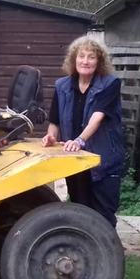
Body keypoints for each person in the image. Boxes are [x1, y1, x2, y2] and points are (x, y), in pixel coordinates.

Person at [41, 36, 123, 227]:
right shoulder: (62, 85)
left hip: (104, 160)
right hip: (75, 159)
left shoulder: (111, 84)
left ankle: (109, 254)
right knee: (80, 211)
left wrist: (79, 140)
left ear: (99, 61)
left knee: (103, 215)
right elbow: (55, 120)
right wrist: (51, 136)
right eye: (81, 56)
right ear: (73, 59)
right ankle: (86, 254)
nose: (85, 61)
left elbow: (97, 117)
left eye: (91, 57)